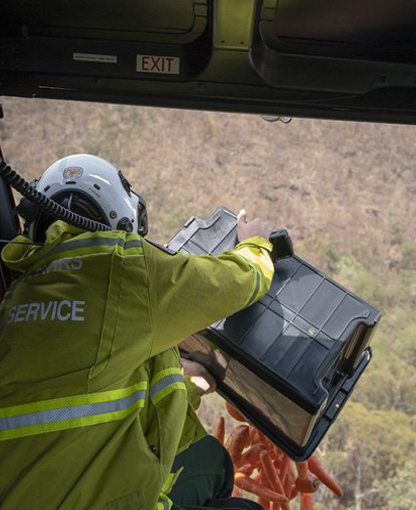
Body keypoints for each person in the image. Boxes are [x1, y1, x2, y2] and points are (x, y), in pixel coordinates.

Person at [0, 154, 272, 510]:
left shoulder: (16, 296)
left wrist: (186, 389)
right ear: (123, 215)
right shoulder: (123, 267)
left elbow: (85, 389)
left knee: (210, 458)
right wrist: (256, 246)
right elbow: (237, 283)